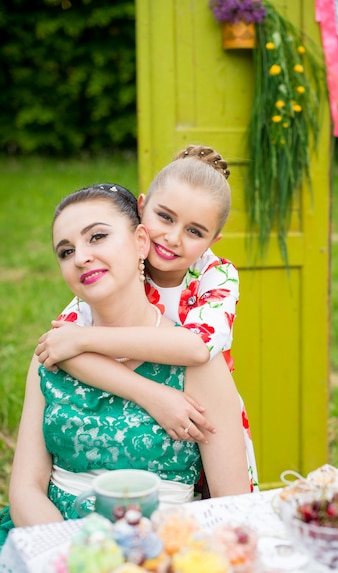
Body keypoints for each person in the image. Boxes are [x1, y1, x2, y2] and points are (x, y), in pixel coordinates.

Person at [0, 183, 250, 548]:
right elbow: (24, 488)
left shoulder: (194, 363)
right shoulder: (55, 352)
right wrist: (70, 556)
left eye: (97, 237)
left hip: (163, 550)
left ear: (141, 242)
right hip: (54, 545)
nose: (81, 257)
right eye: (66, 251)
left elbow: (232, 507)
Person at [36, 146, 259, 491]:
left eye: (195, 232)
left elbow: (198, 346)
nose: (172, 238)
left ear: (213, 241)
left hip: (202, 407)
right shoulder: (117, 270)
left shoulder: (215, 276)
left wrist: (84, 339)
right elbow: (60, 348)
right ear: (142, 209)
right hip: (138, 409)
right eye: (165, 217)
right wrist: (151, 395)